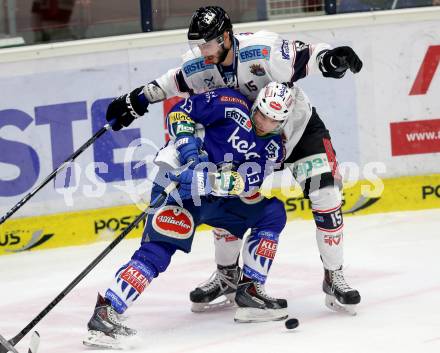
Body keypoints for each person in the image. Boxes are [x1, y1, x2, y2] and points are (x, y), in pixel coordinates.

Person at [104, 6, 363, 316]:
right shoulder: (201, 62)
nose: (202, 52)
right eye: (198, 45)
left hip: (296, 132)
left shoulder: (263, 50)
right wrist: (136, 100)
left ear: (226, 36)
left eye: (208, 44)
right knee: (229, 198)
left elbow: (309, 54)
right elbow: (172, 82)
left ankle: (334, 276)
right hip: (247, 144)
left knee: (326, 195)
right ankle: (228, 277)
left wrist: (331, 59)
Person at [83, 82, 294, 349]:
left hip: (216, 199)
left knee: (271, 212)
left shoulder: (273, 147)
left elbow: (245, 183)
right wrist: (191, 155)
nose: (265, 123)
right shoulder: (229, 102)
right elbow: (179, 114)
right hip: (176, 186)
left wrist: (210, 181)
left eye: (274, 120)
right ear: (256, 105)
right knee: (157, 253)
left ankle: (251, 290)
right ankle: (107, 311)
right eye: (262, 114)